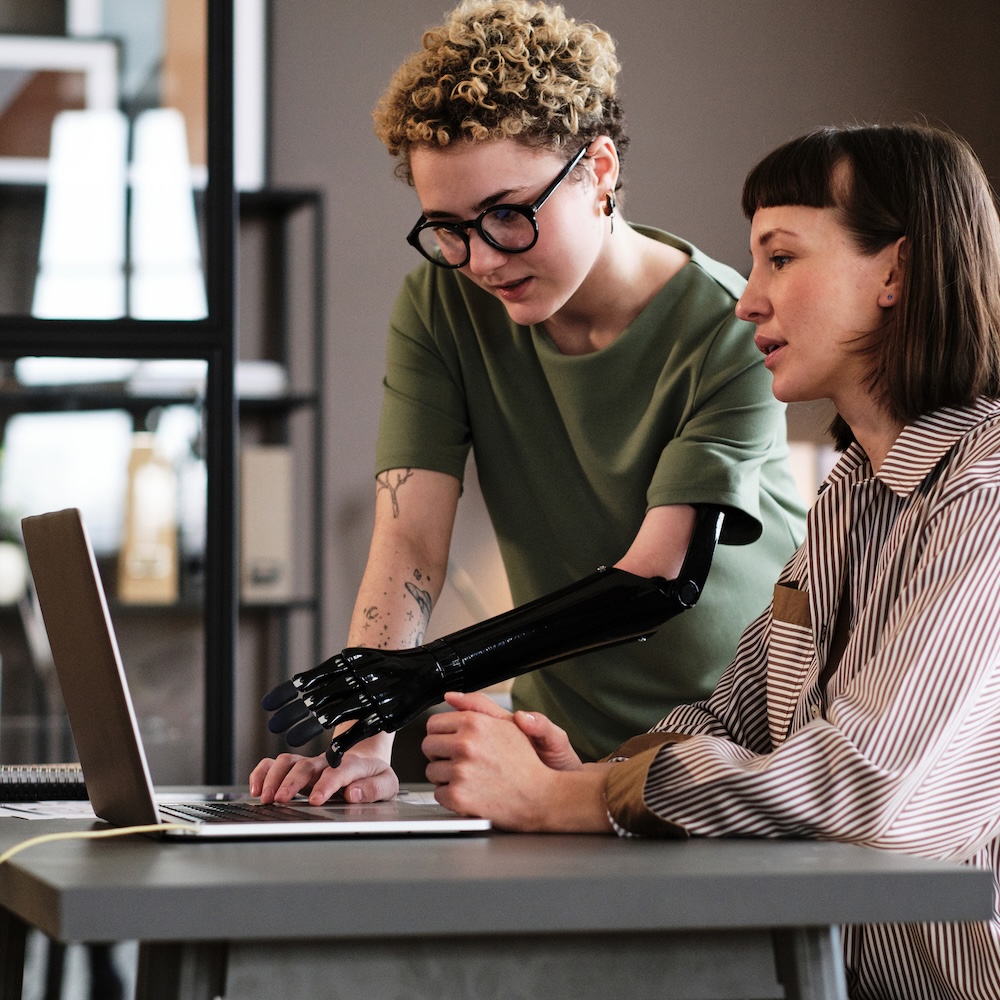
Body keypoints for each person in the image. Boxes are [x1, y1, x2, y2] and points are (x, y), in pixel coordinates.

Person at [421, 121, 1000, 999]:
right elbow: (735, 719)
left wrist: (565, 805)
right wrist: (590, 777)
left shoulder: (984, 495)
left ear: (896, 272)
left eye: (781, 257)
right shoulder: (851, 493)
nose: (748, 300)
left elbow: (862, 785)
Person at [250, 0, 805, 806]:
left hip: (730, 752)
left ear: (600, 170)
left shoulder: (732, 325)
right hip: (555, 751)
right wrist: (363, 741)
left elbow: (659, 580)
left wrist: (425, 674)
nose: (480, 259)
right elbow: (408, 538)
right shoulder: (440, 307)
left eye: (508, 214)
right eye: (448, 227)